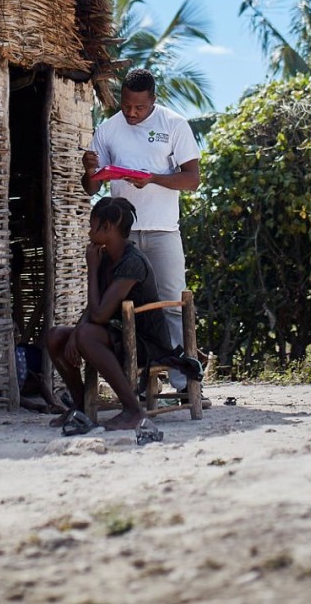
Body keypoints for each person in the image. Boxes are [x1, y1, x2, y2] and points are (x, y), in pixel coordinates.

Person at [81, 68, 200, 388]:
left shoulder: (174, 124)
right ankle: (141, 379)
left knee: (173, 305)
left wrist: (153, 178)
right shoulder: (107, 129)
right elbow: (92, 189)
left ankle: (184, 384)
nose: (132, 113)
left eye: (140, 108)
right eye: (126, 106)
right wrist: (90, 170)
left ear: (154, 101)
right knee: (123, 310)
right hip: (122, 236)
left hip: (163, 231)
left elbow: (192, 179)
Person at [44, 197, 173, 431]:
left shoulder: (132, 263)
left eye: (92, 225)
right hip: (120, 334)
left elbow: (101, 315)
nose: (89, 231)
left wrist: (91, 269)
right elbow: (94, 308)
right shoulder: (106, 258)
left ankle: (133, 410)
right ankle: (81, 407)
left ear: (107, 227)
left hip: (146, 342)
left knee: (85, 335)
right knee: (56, 336)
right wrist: (73, 335)